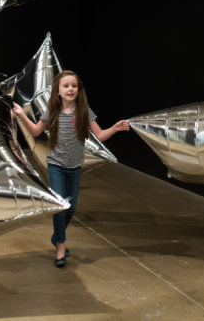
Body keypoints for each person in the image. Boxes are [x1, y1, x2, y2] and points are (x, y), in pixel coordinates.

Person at [13, 70, 130, 268]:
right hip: (56, 165)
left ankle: (56, 236)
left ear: (78, 90)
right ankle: (60, 246)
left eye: (73, 86)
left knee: (72, 206)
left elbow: (99, 135)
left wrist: (115, 128)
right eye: (66, 86)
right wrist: (21, 115)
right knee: (60, 206)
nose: (70, 89)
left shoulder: (84, 112)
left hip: (75, 167)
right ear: (58, 91)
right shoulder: (52, 111)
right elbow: (34, 131)